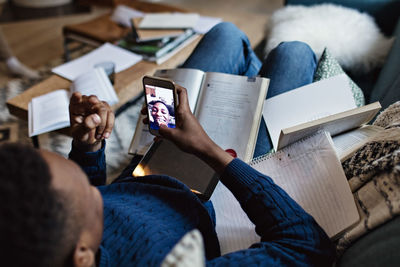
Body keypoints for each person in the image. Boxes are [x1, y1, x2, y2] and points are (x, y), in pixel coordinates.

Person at [0, 22, 334, 266]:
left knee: (226, 35)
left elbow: (78, 206)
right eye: (89, 194)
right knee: (294, 53)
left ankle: (249, 86)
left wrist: (88, 149)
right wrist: (208, 149)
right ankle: (251, 89)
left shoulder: (50, 239)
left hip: (150, 167)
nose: (97, 190)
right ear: (83, 255)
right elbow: (306, 244)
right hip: (217, 191)